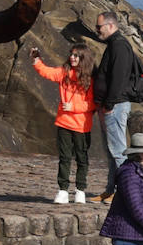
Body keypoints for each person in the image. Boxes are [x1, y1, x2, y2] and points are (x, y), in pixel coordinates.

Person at [31, 43, 97, 204]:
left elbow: (93, 104)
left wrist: (73, 107)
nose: (72, 57)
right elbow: (47, 72)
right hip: (64, 123)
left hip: (82, 125)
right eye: (71, 54)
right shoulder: (64, 72)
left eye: (76, 55)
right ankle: (63, 190)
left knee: (82, 158)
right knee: (64, 158)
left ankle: (80, 190)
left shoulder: (90, 79)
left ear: (83, 58)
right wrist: (36, 60)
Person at [89, 11, 139, 204]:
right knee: (111, 150)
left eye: (99, 27)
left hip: (115, 106)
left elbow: (119, 78)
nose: (97, 30)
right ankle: (111, 189)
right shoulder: (113, 45)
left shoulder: (119, 46)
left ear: (110, 26)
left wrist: (109, 104)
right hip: (109, 105)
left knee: (118, 151)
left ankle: (122, 192)